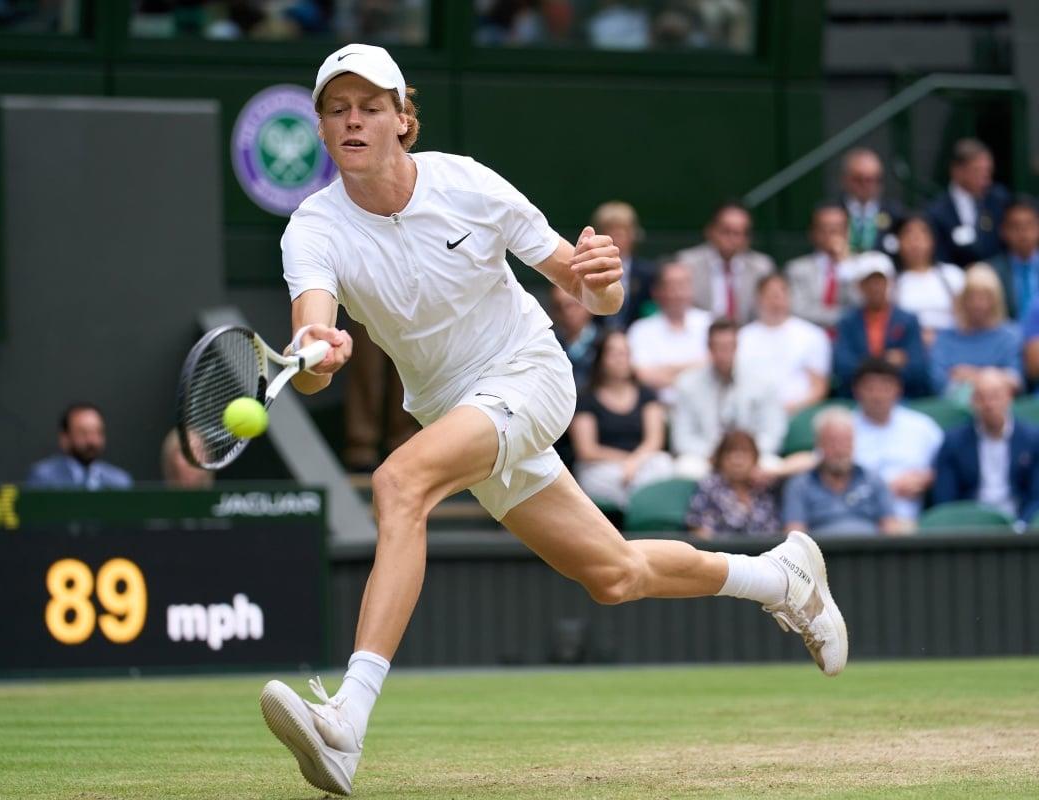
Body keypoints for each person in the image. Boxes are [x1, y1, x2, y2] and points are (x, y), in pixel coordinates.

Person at [260, 43, 848, 798]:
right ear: (320, 128)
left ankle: (347, 722)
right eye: (337, 109)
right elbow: (311, 347)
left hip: (529, 377)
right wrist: (318, 354)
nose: (353, 120)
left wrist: (605, 284)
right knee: (614, 573)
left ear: (402, 119)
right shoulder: (312, 228)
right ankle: (779, 579)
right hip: (456, 413)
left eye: (370, 106)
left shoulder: (469, 184)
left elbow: (585, 289)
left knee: (400, 482)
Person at [671, 318, 785, 479]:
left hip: (751, 455)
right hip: (707, 456)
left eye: (729, 346)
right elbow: (682, 439)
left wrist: (746, 454)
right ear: (709, 347)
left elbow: (773, 433)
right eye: (719, 347)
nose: (724, 353)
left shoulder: (763, 381)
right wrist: (717, 454)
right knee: (686, 468)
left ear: (737, 346)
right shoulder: (687, 384)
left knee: (773, 466)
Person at [569, 331, 673, 507]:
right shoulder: (585, 399)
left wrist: (635, 461)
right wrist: (626, 461)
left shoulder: (647, 394)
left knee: (664, 465)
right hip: (603, 467)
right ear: (601, 358)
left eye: (625, 353)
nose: (621, 359)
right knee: (595, 479)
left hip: (642, 463)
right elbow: (586, 450)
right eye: (614, 353)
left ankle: (638, 505)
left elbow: (654, 440)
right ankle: (643, 505)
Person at [932, 368, 1039, 524]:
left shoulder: (1033, 439)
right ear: (972, 401)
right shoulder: (953, 442)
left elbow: (1036, 496)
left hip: (1019, 525)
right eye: (981, 397)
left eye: (995, 396)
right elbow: (945, 500)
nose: (989, 404)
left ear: (1009, 397)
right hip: (970, 527)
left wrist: (1022, 525)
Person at [781, 407, 903, 537]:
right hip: (821, 554)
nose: (839, 450)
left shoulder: (874, 480)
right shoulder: (800, 485)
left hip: (870, 554)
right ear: (818, 444)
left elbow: (891, 529)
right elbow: (794, 537)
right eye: (832, 442)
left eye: (845, 442)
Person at [850, 359, 943, 526]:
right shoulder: (843, 428)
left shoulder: (922, 427)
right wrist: (884, 490)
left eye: (885, 388)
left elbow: (947, 466)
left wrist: (926, 479)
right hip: (856, 518)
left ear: (898, 390)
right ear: (857, 391)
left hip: (908, 521)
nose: (877, 395)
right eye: (870, 388)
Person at [833, 252, 930, 398]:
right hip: (856, 399)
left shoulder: (908, 320)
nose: (875, 287)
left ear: (889, 283)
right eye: (869, 282)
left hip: (902, 398)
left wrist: (866, 364)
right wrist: (885, 361)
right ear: (860, 286)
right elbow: (843, 367)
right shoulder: (847, 322)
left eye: (879, 281)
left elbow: (917, 367)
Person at [737, 273, 831, 415]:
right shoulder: (742, 337)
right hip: (750, 413)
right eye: (771, 296)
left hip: (798, 415)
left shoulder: (813, 335)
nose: (776, 301)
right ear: (758, 299)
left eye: (781, 294)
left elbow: (819, 388)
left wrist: (787, 409)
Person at [930, 264, 1022, 400]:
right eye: (972, 297)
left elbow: (1016, 380)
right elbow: (937, 382)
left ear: (996, 300)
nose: (978, 304)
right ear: (963, 300)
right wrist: (997, 376)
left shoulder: (1010, 336)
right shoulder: (946, 337)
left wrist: (972, 375)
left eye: (985, 297)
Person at [624, 260, 711, 402]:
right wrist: (695, 369)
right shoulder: (640, 330)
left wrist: (666, 370)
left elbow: (717, 365)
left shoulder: (709, 323)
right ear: (657, 291)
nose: (678, 292)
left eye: (684, 284)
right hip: (658, 411)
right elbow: (642, 375)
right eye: (672, 286)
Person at [677, 201, 775, 323]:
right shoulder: (687, 263)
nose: (731, 238)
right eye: (725, 231)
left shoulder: (762, 267)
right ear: (710, 231)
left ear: (747, 238)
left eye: (738, 233)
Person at [343, 320, 418, 472]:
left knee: (410, 367)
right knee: (367, 365)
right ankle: (361, 447)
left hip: (417, 301)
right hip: (368, 299)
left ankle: (404, 445)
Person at [926, 138, 1010, 267]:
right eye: (978, 170)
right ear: (957, 171)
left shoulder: (1000, 200)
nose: (985, 177)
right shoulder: (937, 211)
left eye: (988, 170)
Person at [685, 430, 781, 540]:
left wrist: (772, 473)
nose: (737, 461)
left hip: (763, 554)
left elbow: (804, 460)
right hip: (720, 554)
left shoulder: (765, 488)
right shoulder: (708, 486)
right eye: (730, 453)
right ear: (720, 458)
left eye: (745, 453)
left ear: (755, 458)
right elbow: (699, 532)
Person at [784, 203, 861, 329]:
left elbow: (862, 305)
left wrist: (845, 265)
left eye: (837, 229)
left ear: (847, 232)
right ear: (812, 232)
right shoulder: (796, 269)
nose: (831, 234)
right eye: (824, 229)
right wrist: (844, 316)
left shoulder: (862, 266)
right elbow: (798, 311)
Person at [892, 214, 965, 345]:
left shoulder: (953, 275)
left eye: (922, 235)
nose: (915, 242)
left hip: (952, 345)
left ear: (932, 241)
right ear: (899, 242)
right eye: (909, 235)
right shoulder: (892, 282)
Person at [26, 403, 133, 490]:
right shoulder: (44, 477)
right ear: (65, 438)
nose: (91, 440)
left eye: (97, 432)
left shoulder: (119, 481)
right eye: (83, 433)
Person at [590, 200, 657, 328]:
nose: (617, 237)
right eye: (610, 230)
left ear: (633, 234)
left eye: (622, 230)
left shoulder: (647, 273)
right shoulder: (587, 269)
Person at [839, 148, 905, 255]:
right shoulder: (833, 212)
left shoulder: (895, 213)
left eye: (871, 179)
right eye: (858, 179)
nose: (865, 185)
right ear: (845, 179)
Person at [987, 199, 1039, 320]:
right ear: (1003, 231)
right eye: (1015, 226)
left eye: (1029, 224)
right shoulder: (991, 271)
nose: (1023, 232)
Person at [550, 284, 600, 388]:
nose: (567, 312)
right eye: (558, 307)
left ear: (588, 305)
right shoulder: (550, 343)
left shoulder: (605, 342)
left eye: (572, 305)